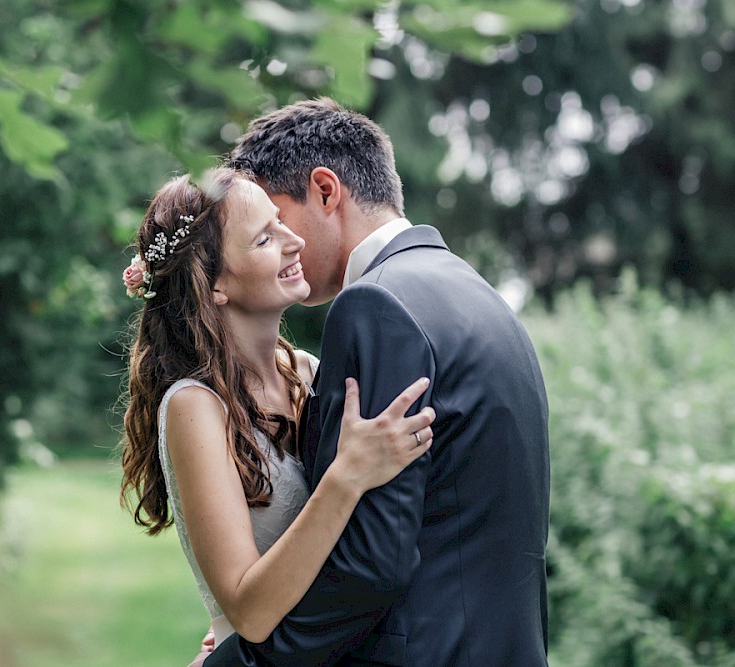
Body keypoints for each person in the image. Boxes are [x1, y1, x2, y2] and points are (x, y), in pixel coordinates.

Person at [202, 98, 551, 666]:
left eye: (274, 216)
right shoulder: (481, 297)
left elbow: (369, 565)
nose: (279, 241)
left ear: (324, 190)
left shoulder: (377, 305)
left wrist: (239, 662)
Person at [118, 168, 437, 660]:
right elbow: (249, 611)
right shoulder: (195, 407)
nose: (294, 241)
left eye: (281, 222)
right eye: (266, 237)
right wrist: (347, 476)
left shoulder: (309, 372)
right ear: (216, 284)